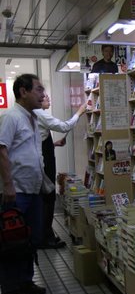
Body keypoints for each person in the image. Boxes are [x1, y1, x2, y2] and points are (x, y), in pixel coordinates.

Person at [0, 74, 47, 294]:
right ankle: (10, 290)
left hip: (33, 189)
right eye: (38, 89)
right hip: (16, 191)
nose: (43, 94)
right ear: (23, 91)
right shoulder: (10, 116)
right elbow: (2, 150)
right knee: (12, 241)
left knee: (30, 239)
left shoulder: (32, 118)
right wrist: (8, 185)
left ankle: (25, 281)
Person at [35, 94, 87, 249]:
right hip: (44, 162)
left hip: (45, 156)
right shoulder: (40, 113)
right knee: (48, 197)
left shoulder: (35, 114)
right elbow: (64, 126)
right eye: (44, 96)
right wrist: (79, 112)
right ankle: (45, 236)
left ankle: (46, 233)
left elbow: (39, 138)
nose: (48, 98)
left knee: (46, 197)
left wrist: (55, 144)